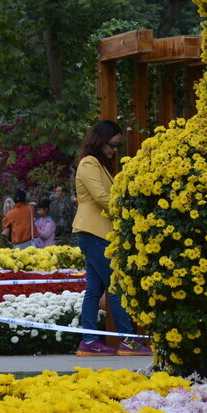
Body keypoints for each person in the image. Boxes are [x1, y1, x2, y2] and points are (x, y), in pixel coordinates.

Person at [73, 120, 150, 357]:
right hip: (95, 233)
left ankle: (90, 341)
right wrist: (131, 210)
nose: (114, 150)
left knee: (94, 290)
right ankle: (128, 340)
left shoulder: (98, 164)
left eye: (116, 146)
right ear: (100, 140)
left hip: (96, 233)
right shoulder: (89, 163)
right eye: (112, 145)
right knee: (116, 287)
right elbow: (103, 197)